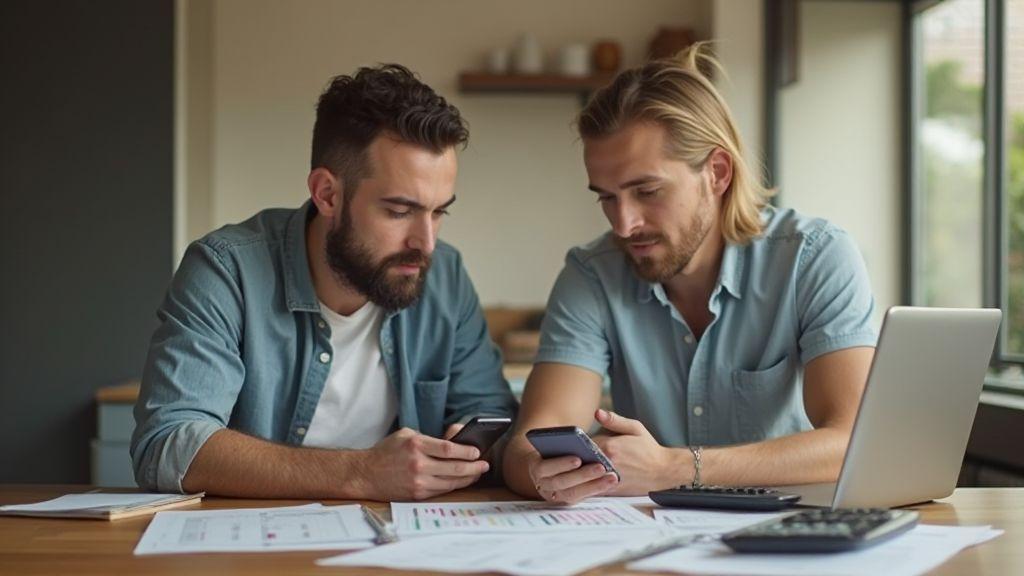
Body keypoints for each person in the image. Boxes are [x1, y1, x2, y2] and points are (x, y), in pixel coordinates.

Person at [503, 44, 877, 504]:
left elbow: (854, 441)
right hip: (645, 541)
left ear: (717, 173)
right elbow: (528, 445)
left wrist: (675, 467)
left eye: (647, 191)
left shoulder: (815, 256)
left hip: (792, 536)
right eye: (606, 197)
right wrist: (543, 472)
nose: (623, 224)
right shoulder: (592, 274)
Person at [132, 64, 517, 501]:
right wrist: (360, 472)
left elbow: (492, 418)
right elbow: (167, 445)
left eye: (439, 211)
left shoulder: (443, 275)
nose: (425, 243)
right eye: (398, 210)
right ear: (328, 193)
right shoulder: (226, 270)